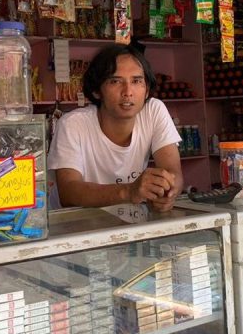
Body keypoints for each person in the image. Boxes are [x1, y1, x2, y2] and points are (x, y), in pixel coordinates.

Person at [48, 43, 184, 211]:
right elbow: (68, 192)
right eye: (115, 81)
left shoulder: (153, 110)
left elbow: (173, 171)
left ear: (147, 90)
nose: (128, 91)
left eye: (136, 81)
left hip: (129, 225)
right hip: (78, 228)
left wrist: (168, 192)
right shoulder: (72, 124)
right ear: (97, 90)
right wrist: (128, 191)